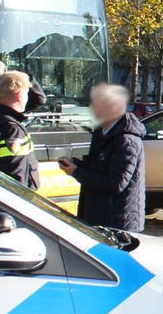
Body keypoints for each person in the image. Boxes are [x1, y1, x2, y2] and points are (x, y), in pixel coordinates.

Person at [59, 84, 146, 232]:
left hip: (117, 223)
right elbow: (99, 167)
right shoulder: (102, 133)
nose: (92, 110)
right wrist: (76, 164)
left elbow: (115, 183)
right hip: (99, 218)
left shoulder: (126, 140)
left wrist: (77, 171)